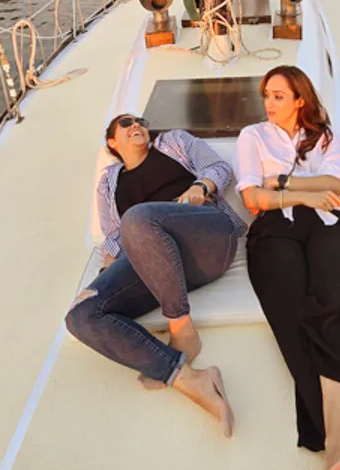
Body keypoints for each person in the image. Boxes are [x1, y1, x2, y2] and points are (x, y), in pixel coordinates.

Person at [235, 65, 340, 470]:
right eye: (266, 95)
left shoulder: (324, 137)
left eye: (279, 95)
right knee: (296, 318)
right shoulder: (252, 137)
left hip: (327, 225)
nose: (269, 103)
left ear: (300, 99)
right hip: (274, 231)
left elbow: (334, 188)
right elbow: (250, 199)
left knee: (338, 309)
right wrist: (301, 195)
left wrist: (282, 184)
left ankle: (335, 454)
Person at [65, 114, 242, 436]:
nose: (138, 125)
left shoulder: (173, 142)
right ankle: (190, 378)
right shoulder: (109, 181)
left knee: (138, 217)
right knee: (81, 314)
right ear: (111, 142)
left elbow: (219, 169)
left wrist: (199, 188)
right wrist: (104, 280)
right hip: (153, 259)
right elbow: (113, 238)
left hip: (206, 234)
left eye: (141, 122)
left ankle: (182, 328)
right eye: (127, 123)